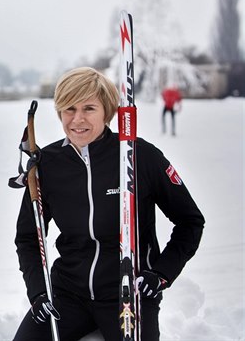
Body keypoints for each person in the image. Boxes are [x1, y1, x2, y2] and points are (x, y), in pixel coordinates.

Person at [13, 67, 204, 340]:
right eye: (69, 109)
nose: (77, 119)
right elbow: (29, 237)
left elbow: (190, 222)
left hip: (128, 294)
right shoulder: (48, 165)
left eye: (89, 108)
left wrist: (161, 274)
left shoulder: (139, 157)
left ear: (107, 111)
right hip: (68, 292)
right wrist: (38, 291)